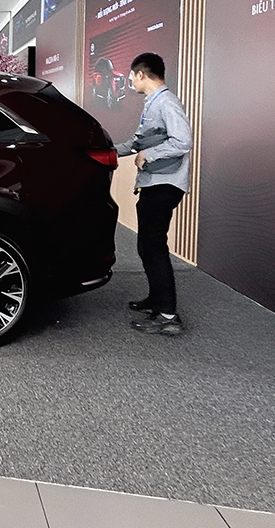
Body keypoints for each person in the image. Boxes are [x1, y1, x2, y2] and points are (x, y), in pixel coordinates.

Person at [115, 52, 193, 336]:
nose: (130, 81)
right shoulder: (153, 103)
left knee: (154, 246)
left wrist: (149, 154)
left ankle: (168, 316)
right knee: (146, 246)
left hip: (164, 184)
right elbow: (137, 142)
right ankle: (157, 300)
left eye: (131, 76)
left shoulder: (166, 102)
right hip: (153, 183)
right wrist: (108, 150)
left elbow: (183, 141)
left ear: (141, 74)